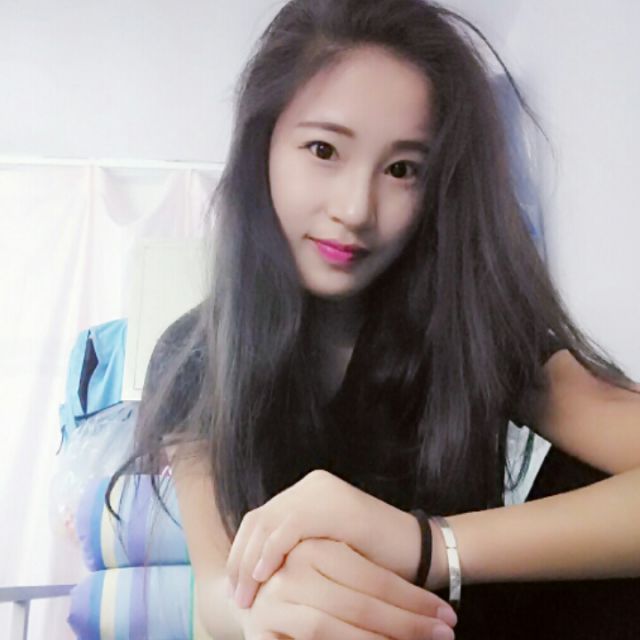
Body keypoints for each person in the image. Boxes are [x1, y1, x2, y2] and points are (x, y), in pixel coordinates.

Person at [107, 1, 640, 638]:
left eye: (402, 169)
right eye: (324, 149)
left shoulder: (472, 329)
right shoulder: (194, 355)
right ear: (263, 145)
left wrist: (427, 545)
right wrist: (259, 613)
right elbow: (217, 585)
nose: (357, 209)